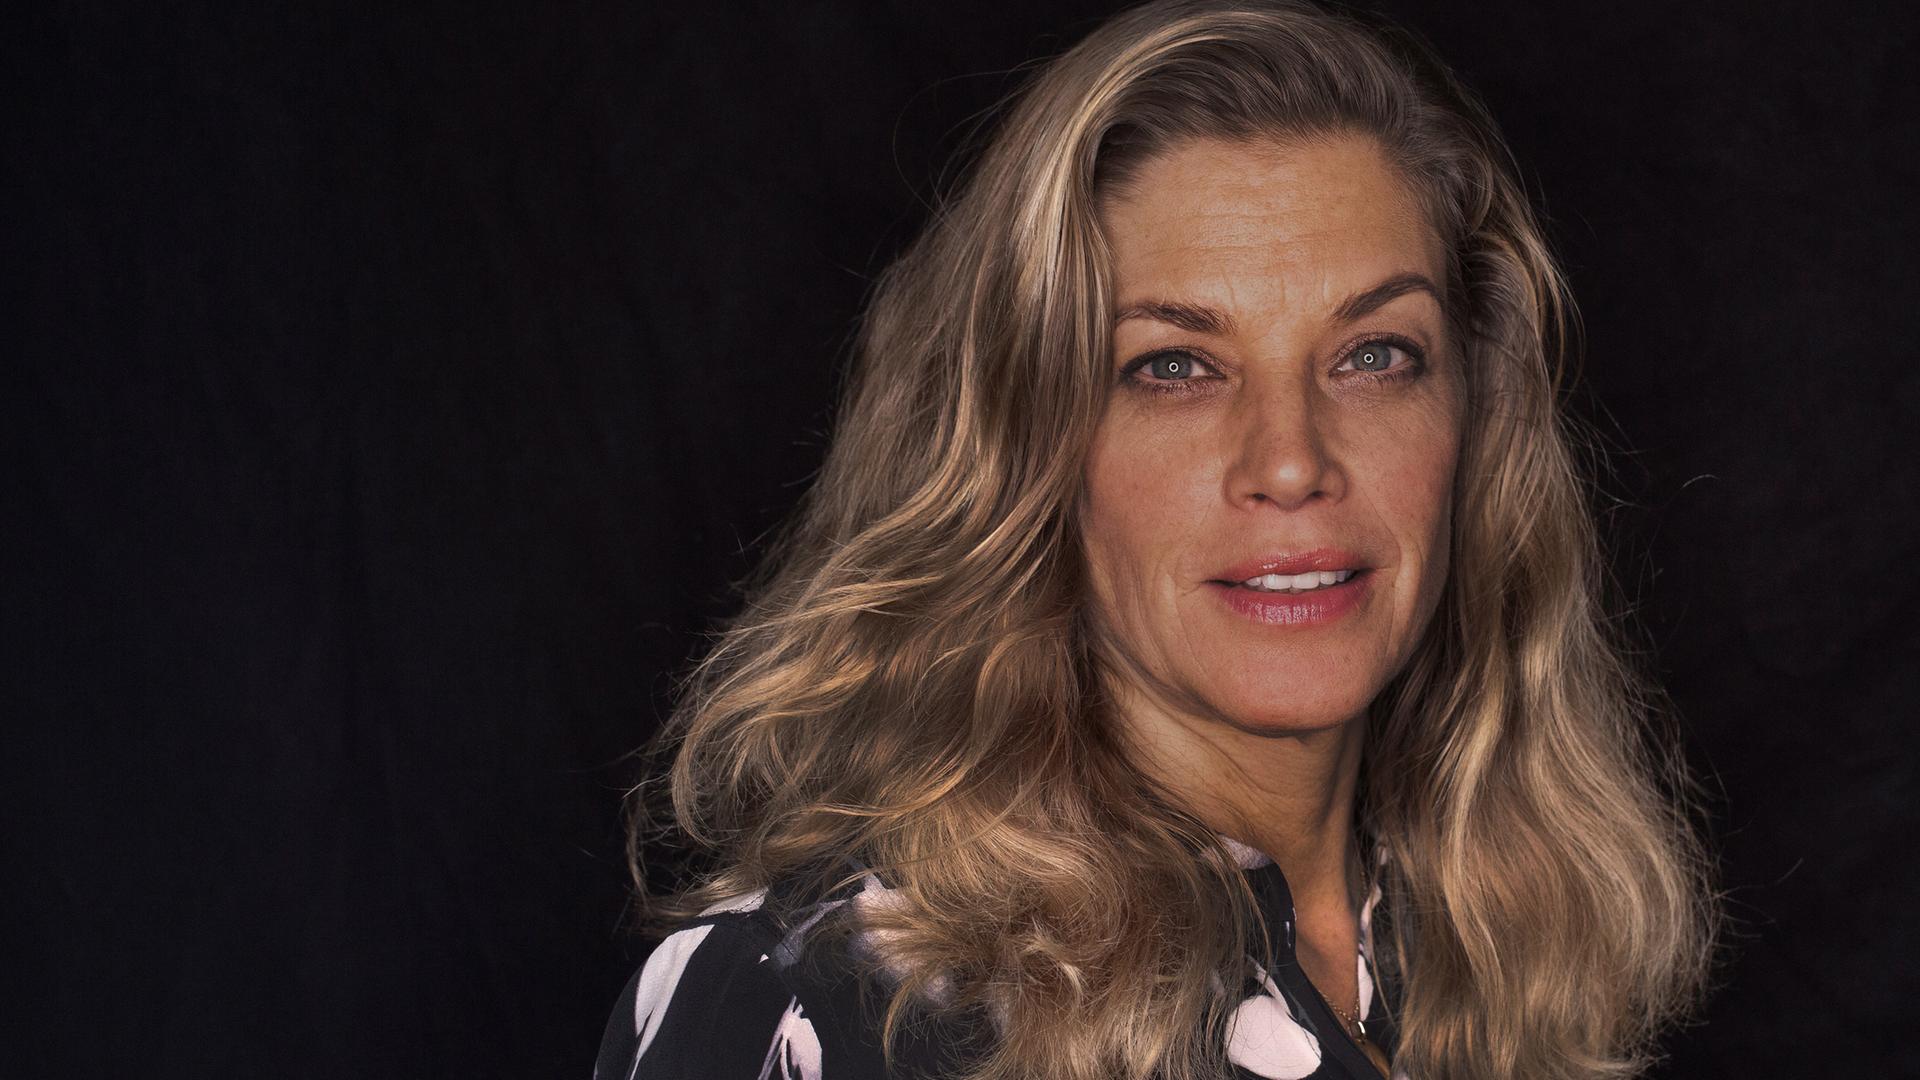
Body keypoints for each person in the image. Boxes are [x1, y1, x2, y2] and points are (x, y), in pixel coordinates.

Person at [595, 1, 1718, 1078]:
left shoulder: (1497, 952)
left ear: (1475, 415)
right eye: (1174, 367)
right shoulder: (815, 1002)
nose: (1292, 461)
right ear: (1029, 446)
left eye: (1375, 355)